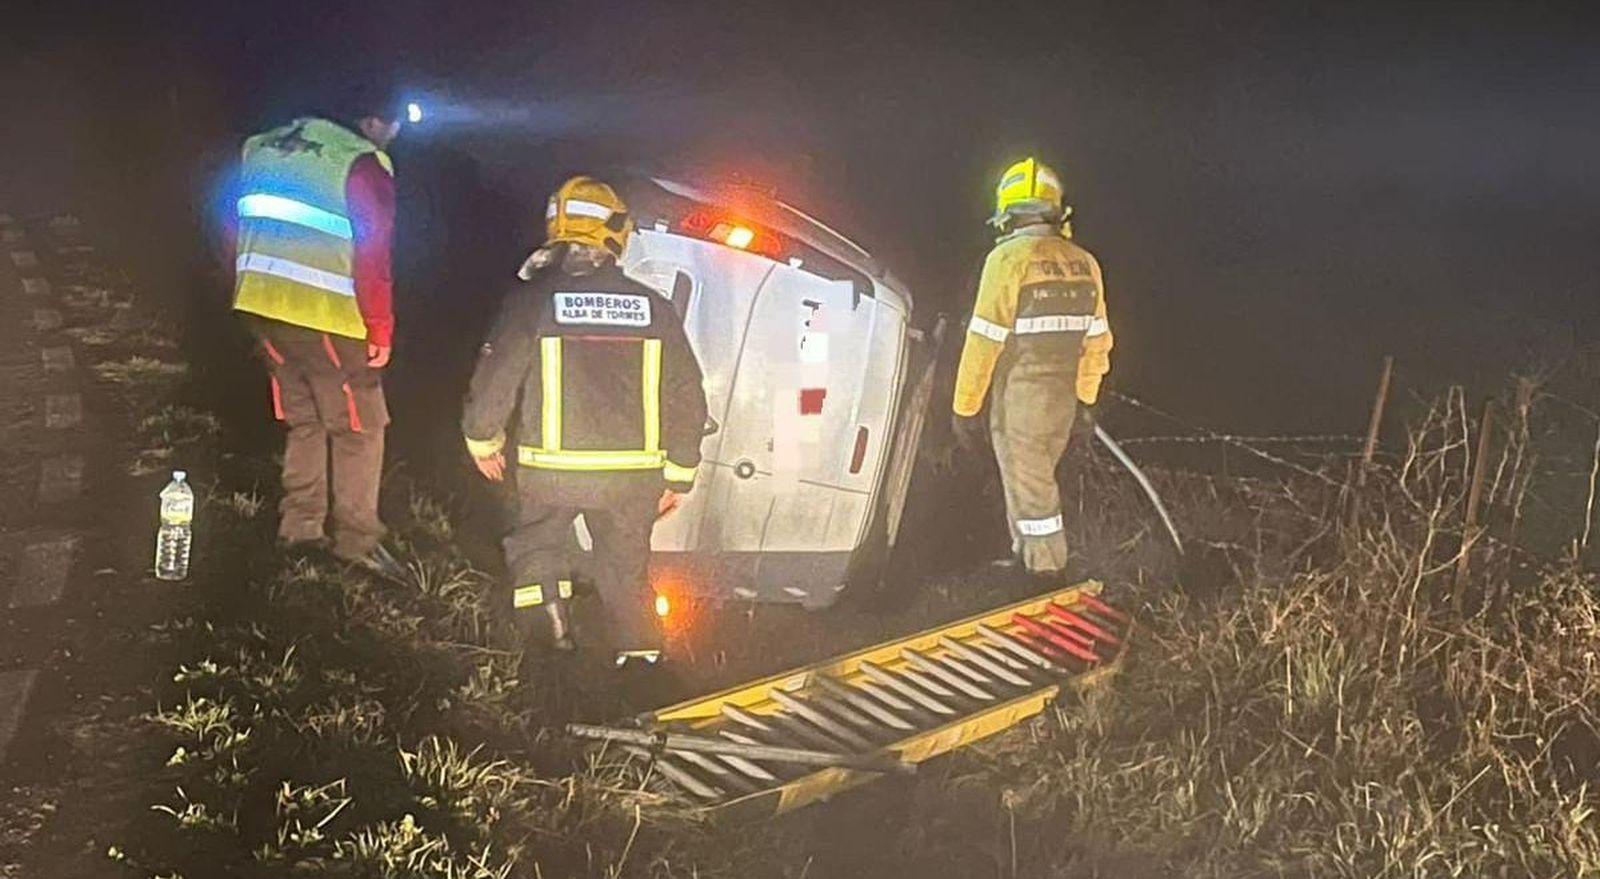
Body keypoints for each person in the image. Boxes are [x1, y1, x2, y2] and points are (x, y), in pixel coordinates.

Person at [462, 176, 707, 666]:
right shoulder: (654, 309)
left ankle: (553, 648)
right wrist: (680, 472)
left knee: (536, 548)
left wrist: (482, 439)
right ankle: (641, 666)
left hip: (549, 472)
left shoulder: (533, 302)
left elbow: (496, 375)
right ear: (615, 234)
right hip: (632, 479)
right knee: (624, 569)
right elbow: (687, 395)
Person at [230, 82, 406, 577]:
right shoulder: (361, 162)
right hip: (326, 315)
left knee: (305, 421)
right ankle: (357, 543)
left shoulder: (262, 145)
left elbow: (235, 223)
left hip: (260, 306)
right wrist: (380, 328)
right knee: (359, 427)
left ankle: (300, 530)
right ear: (373, 121)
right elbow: (373, 255)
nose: (389, 138)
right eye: (391, 128)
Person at [951, 157, 1114, 576]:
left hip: (1019, 404)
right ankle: (1024, 555)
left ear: (1008, 212)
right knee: (1030, 488)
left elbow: (982, 343)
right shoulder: (1086, 264)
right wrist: (1086, 400)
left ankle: (1045, 578)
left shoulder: (1007, 260)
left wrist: (965, 408)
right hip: (1061, 405)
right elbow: (1098, 344)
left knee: (1034, 497)